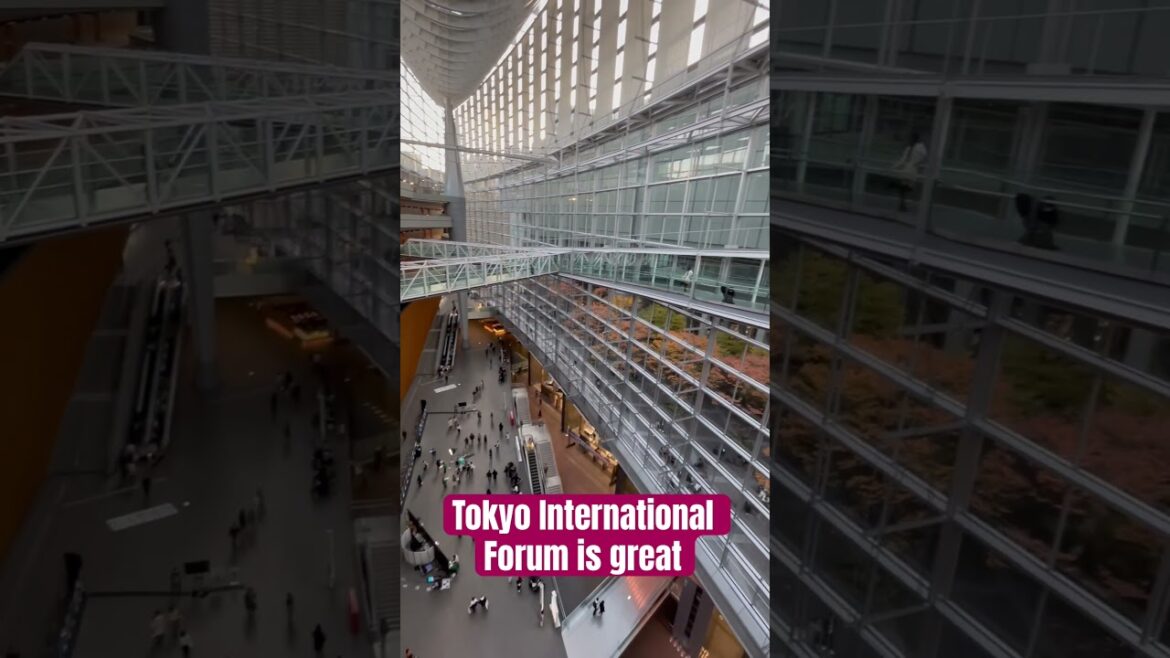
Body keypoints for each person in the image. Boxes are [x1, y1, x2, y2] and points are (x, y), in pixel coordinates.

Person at [891, 132, 927, 211]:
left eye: (911, 138)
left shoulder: (916, 148)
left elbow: (922, 157)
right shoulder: (913, 148)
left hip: (909, 169)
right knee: (904, 187)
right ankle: (902, 204)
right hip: (909, 169)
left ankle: (903, 203)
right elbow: (904, 159)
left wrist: (894, 166)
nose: (910, 140)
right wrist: (895, 166)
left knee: (905, 187)